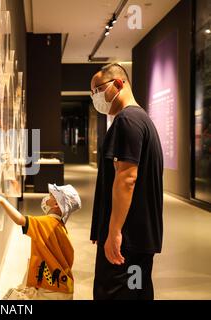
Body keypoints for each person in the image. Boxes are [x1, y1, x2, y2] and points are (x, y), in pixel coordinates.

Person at [89, 63, 164, 300]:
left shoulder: (127, 121)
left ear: (119, 84)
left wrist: (114, 231)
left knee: (115, 293)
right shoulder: (142, 120)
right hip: (139, 239)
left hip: (127, 241)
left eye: (98, 90)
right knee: (136, 292)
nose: (95, 97)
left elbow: (127, 178)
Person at [0, 184, 81, 300]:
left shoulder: (46, 223)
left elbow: (20, 219)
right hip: (64, 288)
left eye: (51, 195)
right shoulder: (61, 228)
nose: (47, 197)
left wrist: (2, 201)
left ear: (56, 204)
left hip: (49, 290)